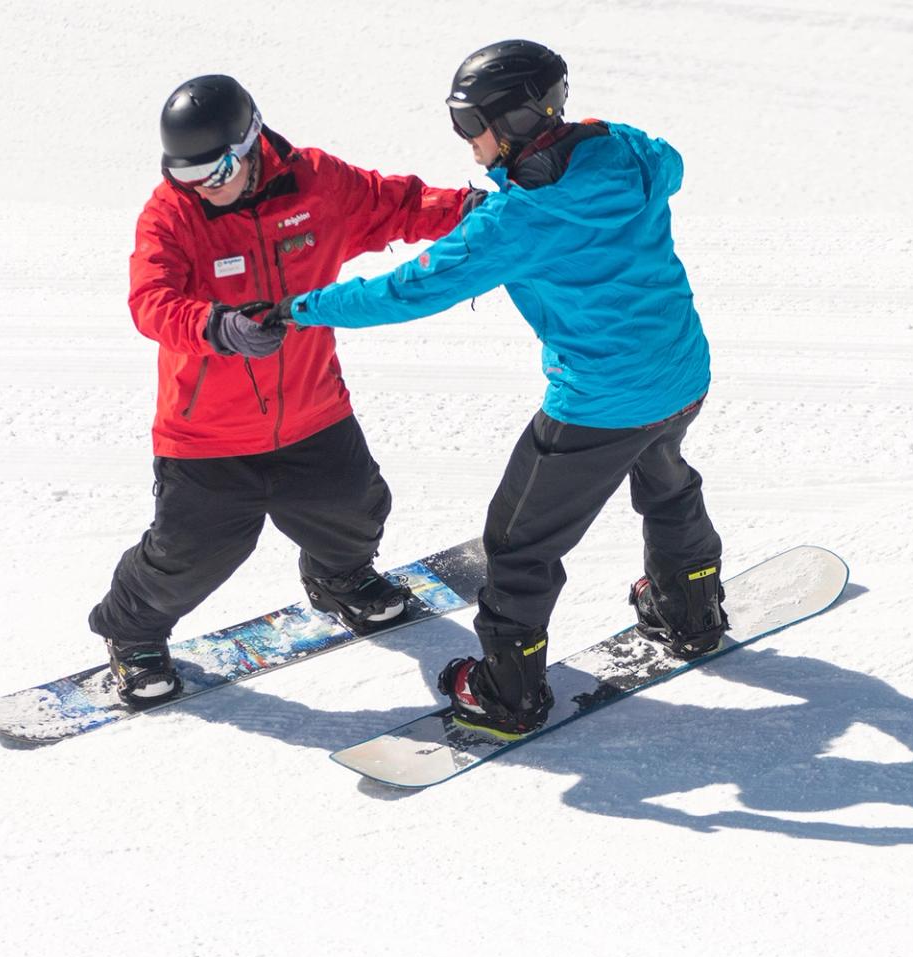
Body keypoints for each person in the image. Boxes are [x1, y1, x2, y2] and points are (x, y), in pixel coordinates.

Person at [270, 41, 729, 740]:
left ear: (514, 119)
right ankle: (690, 612)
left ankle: (507, 690)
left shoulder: (518, 220)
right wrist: (585, 138)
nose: (465, 142)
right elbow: (672, 163)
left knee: (517, 544)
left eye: (468, 125)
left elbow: (408, 290)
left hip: (600, 406)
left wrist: (298, 308)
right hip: (681, 373)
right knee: (664, 478)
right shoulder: (625, 152)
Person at [92, 74, 473, 705]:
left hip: (313, 409)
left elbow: (398, 203)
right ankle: (133, 634)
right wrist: (217, 325)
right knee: (191, 556)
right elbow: (150, 301)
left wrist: (473, 211)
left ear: (249, 145)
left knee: (355, 509)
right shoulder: (173, 214)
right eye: (184, 176)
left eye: (212, 173)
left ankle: (340, 580)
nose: (200, 190)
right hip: (207, 434)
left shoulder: (317, 184)